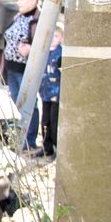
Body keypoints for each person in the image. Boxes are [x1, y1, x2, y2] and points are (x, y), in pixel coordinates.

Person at [1, 0, 41, 150]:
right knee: (16, 103)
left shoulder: (39, 19)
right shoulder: (19, 17)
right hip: (12, 67)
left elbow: (45, 43)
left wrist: (31, 48)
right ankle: (18, 138)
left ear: (33, 0)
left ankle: (29, 141)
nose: (19, 2)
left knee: (29, 103)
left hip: (26, 69)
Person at [38, 23, 63, 158]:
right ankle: (47, 148)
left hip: (56, 93)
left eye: (56, 36)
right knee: (45, 121)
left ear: (61, 38)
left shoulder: (61, 54)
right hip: (45, 92)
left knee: (54, 121)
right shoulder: (44, 52)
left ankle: (56, 147)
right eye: (51, 36)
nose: (53, 38)